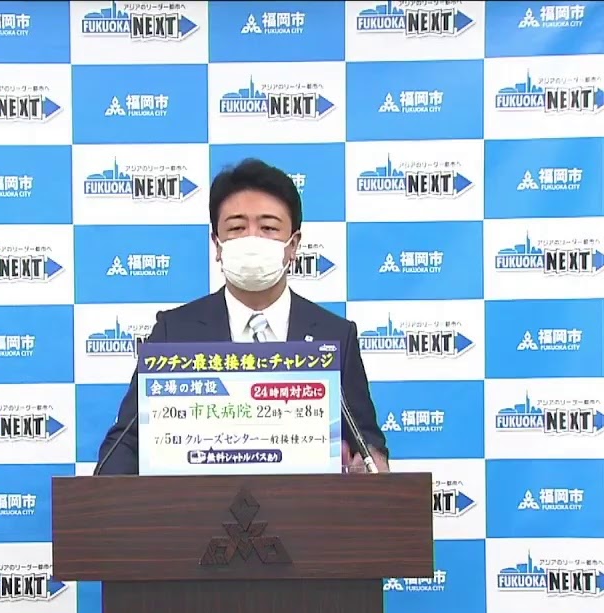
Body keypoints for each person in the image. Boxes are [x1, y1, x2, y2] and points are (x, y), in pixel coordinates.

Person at [95, 158, 389, 475]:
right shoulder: (174, 331)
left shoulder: (335, 335)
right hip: (200, 504)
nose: (252, 239)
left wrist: (369, 466)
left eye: (268, 228)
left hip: (303, 505)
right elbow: (128, 442)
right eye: (236, 228)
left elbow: (366, 444)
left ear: (293, 245)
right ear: (217, 244)